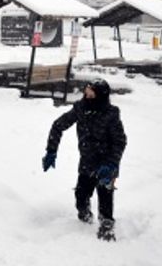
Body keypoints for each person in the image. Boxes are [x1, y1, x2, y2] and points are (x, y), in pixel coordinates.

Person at [42, 79, 127, 241]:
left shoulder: (111, 114)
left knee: (105, 194)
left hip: (107, 161)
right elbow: (58, 125)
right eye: (86, 90)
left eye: (91, 92)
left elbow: (120, 141)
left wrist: (111, 163)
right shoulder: (81, 108)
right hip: (87, 160)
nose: (86, 94)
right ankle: (85, 214)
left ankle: (107, 225)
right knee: (81, 196)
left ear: (100, 95)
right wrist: (51, 150)